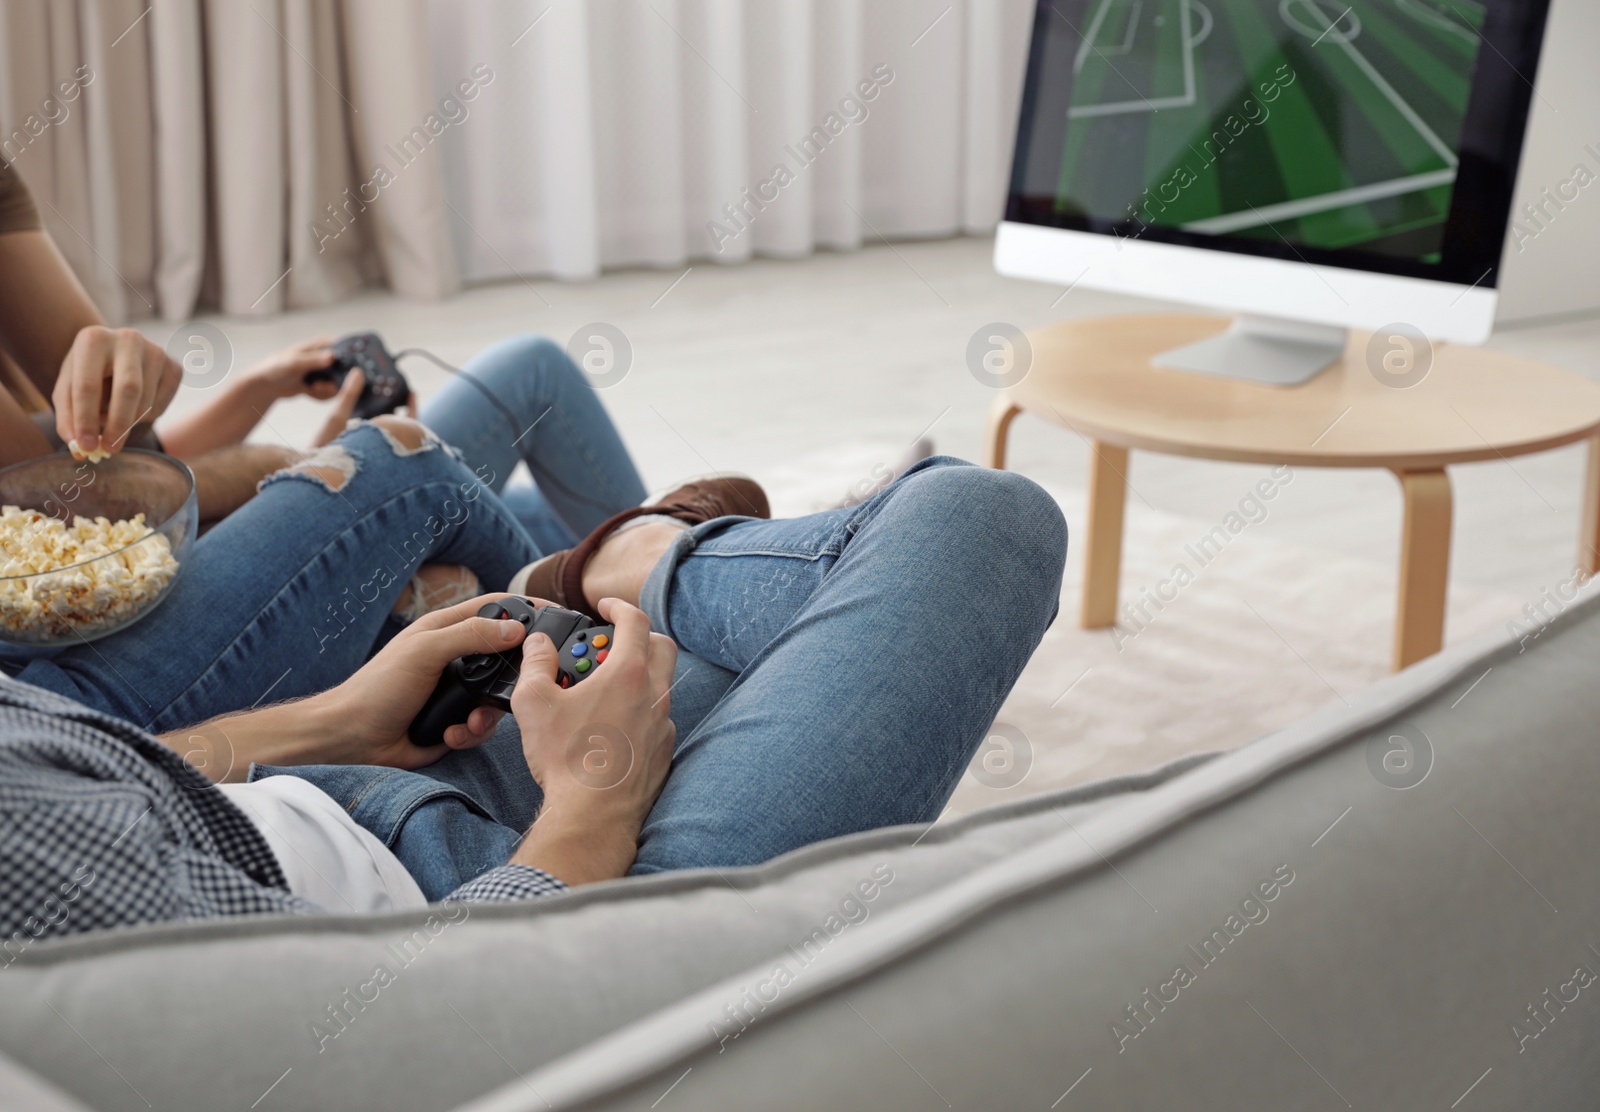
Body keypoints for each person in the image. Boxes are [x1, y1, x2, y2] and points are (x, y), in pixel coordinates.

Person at [0, 411, 1067, 931]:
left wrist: (329, 721)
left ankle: (653, 557)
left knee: (586, 635)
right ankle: (645, 552)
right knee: (979, 517)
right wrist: (590, 812)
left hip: (327, 792)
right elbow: (419, 1035)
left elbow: (86, 780)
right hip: (519, 916)